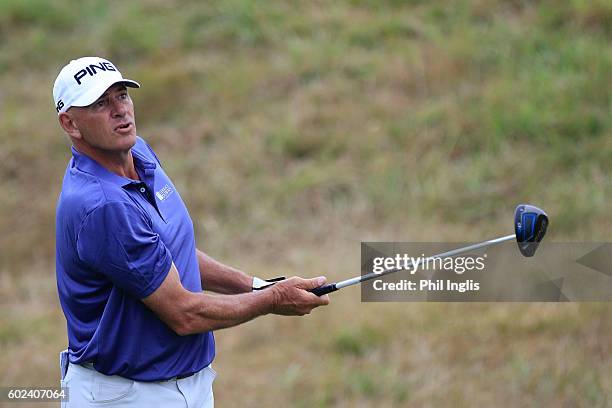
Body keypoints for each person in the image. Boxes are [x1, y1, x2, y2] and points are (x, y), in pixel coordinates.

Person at [53, 56, 330, 407]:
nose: (120, 111)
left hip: (185, 385)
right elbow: (183, 314)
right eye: (100, 104)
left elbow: (166, 251)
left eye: (122, 95)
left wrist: (257, 284)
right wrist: (273, 300)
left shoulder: (137, 151)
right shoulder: (102, 205)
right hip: (127, 395)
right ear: (71, 124)